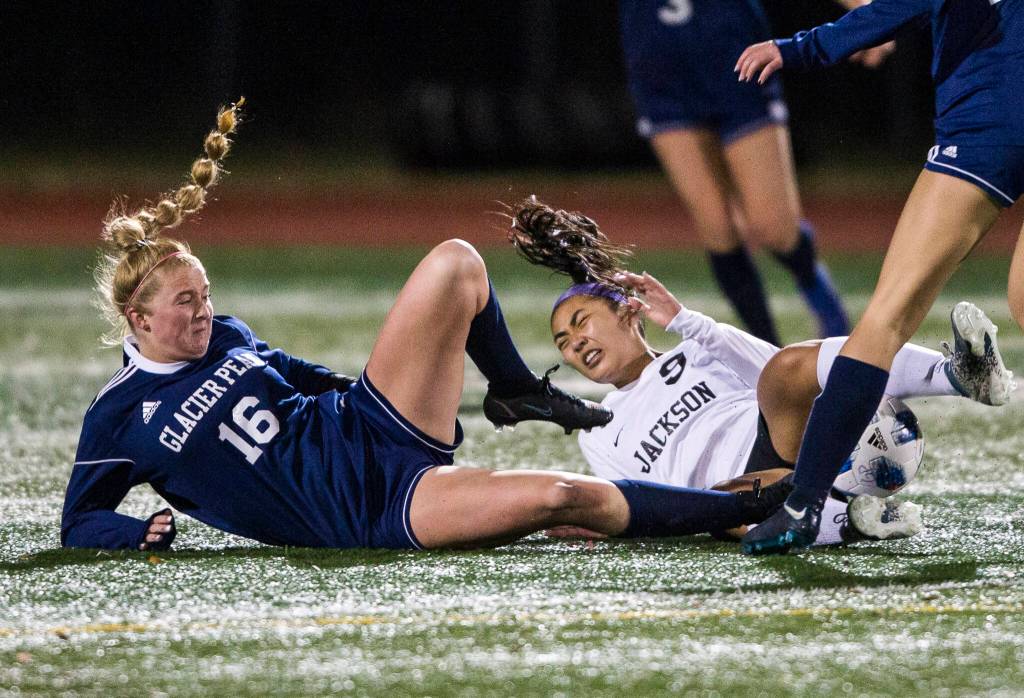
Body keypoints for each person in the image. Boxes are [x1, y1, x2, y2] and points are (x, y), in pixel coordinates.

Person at [62, 103, 798, 553]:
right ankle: (747, 504)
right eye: (185, 302)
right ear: (138, 319)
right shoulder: (119, 415)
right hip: (371, 509)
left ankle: (514, 390)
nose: (202, 311)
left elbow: (300, 377)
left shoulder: (224, 335)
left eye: (204, 294)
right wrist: (135, 533)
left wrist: (383, 389)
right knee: (558, 498)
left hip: (370, 426)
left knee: (456, 261)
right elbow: (79, 520)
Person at [508, 197, 1014, 545]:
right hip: (728, 494)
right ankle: (855, 520)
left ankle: (959, 375)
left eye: (581, 323)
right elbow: (636, 503)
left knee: (786, 367)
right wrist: (596, 520)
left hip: (784, 440)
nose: (575, 344)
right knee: (732, 510)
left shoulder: (696, 348)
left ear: (627, 311)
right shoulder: (597, 431)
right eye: (564, 343)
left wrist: (688, 322)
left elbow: (773, 366)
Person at [733, 0, 1023, 554]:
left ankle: (803, 504)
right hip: (988, 115)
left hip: (988, 120)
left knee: (884, 322)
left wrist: (798, 48)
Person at [617, 0, 891, 343]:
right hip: (662, 72)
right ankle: (768, 351)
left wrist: (868, 17)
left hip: (736, 58)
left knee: (774, 229)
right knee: (717, 228)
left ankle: (819, 294)